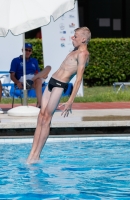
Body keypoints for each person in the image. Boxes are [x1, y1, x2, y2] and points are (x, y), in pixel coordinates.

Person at [27, 27, 91, 164]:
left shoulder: (83, 54)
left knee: (47, 118)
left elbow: (79, 79)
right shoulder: (75, 51)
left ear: (83, 39)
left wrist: (70, 101)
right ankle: (31, 154)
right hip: (52, 82)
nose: (72, 38)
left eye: (75, 36)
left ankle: (37, 155)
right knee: (41, 116)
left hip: (59, 85)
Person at [9, 43, 51, 108]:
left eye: (29, 50)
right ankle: (40, 105)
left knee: (49, 67)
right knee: (39, 81)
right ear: (22, 50)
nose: (28, 52)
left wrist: (37, 76)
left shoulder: (34, 61)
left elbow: (37, 72)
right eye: (26, 50)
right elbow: (12, 76)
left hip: (34, 77)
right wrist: (17, 83)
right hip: (23, 78)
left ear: (31, 52)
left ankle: (31, 81)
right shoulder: (15, 60)